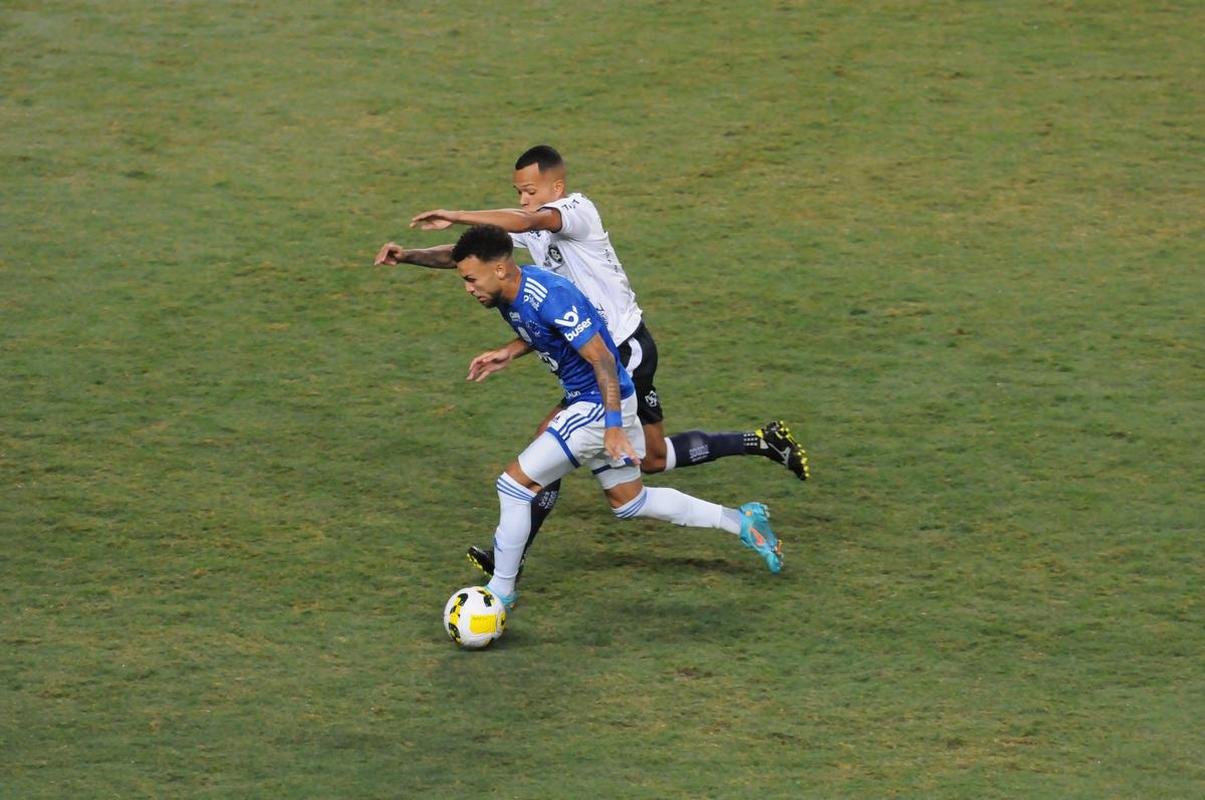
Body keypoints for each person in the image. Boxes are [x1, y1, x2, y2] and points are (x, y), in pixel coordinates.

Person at [374, 145, 806, 582]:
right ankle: (755, 460)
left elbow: (522, 229)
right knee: (642, 476)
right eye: (517, 193)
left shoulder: (577, 210)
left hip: (620, 352)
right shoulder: (530, 232)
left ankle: (507, 564)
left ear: (555, 187)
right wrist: (409, 255)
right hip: (590, 355)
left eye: (529, 190)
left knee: (543, 457)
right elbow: (480, 258)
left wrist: (457, 213)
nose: (523, 200)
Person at [446, 224, 782, 610]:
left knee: (513, 486)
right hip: (605, 401)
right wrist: (508, 352)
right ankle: (741, 521)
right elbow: (547, 332)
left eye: (471, 279)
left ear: (500, 269)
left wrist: (611, 427)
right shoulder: (515, 289)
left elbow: (603, 359)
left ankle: (500, 594)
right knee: (630, 502)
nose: (468, 288)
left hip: (596, 405)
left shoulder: (549, 296)